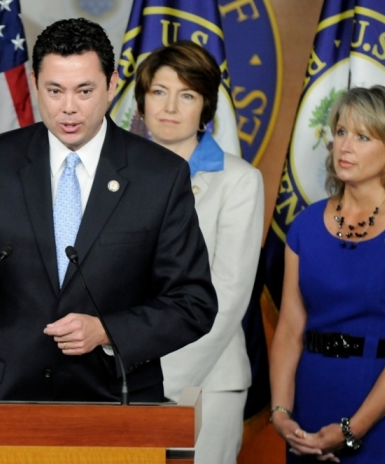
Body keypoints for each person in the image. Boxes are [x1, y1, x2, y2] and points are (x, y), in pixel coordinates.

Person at [0, 18, 217, 403]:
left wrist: (107, 331)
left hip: (114, 399)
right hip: (4, 401)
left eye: (85, 90)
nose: (69, 108)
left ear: (111, 86)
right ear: (35, 84)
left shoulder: (159, 175)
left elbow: (193, 303)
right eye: (55, 91)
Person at [133, 41, 264, 464]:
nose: (170, 106)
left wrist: (159, 382)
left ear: (205, 106)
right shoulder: (117, 178)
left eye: (186, 94)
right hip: (122, 383)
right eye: (159, 92)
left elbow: (227, 298)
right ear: (142, 101)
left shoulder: (239, 182)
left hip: (204, 381)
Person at [270, 86, 385, 463]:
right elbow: (290, 331)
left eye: (362, 137)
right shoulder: (306, 226)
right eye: (341, 132)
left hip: (382, 411)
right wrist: (281, 413)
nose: (345, 146)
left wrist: (353, 429)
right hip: (310, 407)